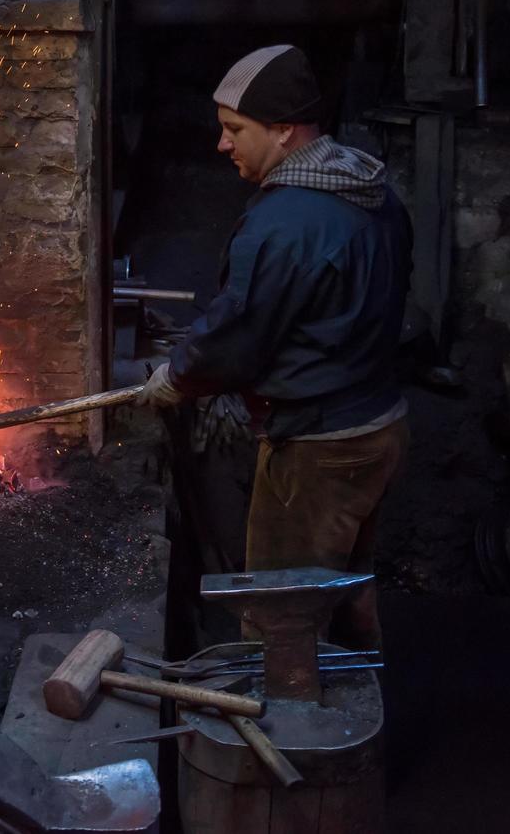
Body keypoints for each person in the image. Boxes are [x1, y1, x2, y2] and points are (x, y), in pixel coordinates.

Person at [140, 44, 413, 648]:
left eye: (235, 129)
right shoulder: (370, 191)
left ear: (285, 130)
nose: (223, 144)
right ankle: (358, 703)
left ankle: (292, 737)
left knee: (281, 613)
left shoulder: (286, 222)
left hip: (318, 449)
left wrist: (177, 377)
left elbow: (239, 333)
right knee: (348, 584)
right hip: (380, 427)